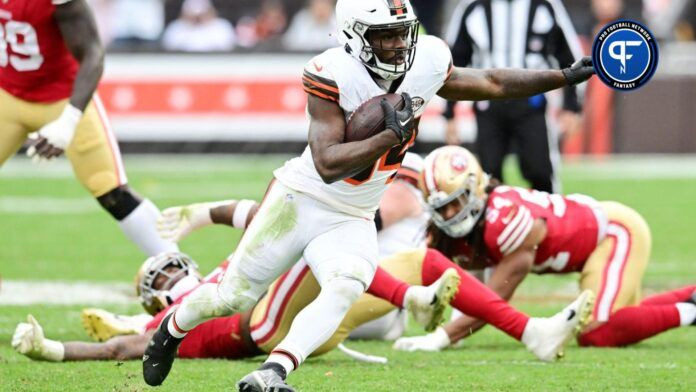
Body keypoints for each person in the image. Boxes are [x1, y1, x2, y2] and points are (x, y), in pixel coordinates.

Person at [141, 0, 595, 389]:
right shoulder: (331, 73)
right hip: (301, 200)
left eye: (403, 33)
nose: (399, 45)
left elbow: (493, 82)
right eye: (385, 37)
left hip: (355, 212)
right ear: (355, 38)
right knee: (232, 298)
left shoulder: (426, 61)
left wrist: (561, 77)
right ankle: (172, 327)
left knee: (347, 284)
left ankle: (273, 373)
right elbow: (327, 162)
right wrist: (385, 137)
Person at [13, 247, 592, 364]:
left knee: (424, 258)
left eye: (170, 264)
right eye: (158, 276)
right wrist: (54, 350)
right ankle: (410, 301)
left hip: (315, 318)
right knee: (311, 247)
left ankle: (534, 334)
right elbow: (125, 345)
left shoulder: (219, 272)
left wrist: (200, 212)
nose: (172, 272)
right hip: (268, 327)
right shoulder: (166, 317)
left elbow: (248, 215)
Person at [392, 146, 696, 352]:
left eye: (455, 203)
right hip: (591, 243)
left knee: (597, 331)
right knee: (626, 317)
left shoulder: (505, 221)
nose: (449, 216)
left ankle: (691, 311)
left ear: (475, 188)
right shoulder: (459, 228)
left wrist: (442, 337)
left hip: (611, 233)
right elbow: (430, 270)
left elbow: (494, 299)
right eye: (441, 208)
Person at [0, 0, 177, 257]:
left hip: (62, 98)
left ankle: (180, 274)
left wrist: (69, 120)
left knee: (110, 189)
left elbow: (93, 53)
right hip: (8, 94)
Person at [443, 0, 585, 193]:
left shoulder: (544, 5)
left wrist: (572, 106)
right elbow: (454, 61)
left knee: (540, 172)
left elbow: (569, 55)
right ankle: (493, 222)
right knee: (488, 177)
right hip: (487, 103)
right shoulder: (472, 7)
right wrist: (449, 113)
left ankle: (546, 220)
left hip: (531, 104)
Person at [162, 0, 236, 52]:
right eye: (193, 15)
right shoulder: (175, 27)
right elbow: (169, 47)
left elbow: (228, 46)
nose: (198, 19)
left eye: (202, 14)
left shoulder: (222, 26)